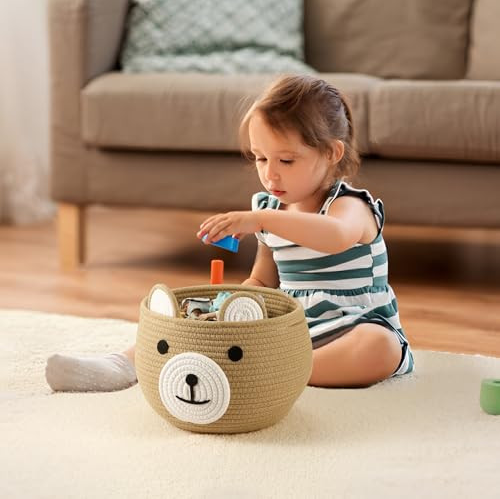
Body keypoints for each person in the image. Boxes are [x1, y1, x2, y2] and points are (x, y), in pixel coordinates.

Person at [45, 74, 413, 392]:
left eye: (286, 160)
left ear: (332, 153)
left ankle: (268, 373)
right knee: (199, 317)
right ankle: (122, 365)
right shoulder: (270, 210)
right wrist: (228, 305)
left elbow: (335, 236)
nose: (270, 174)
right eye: (260, 158)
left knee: (379, 347)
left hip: (350, 328)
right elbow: (264, 281)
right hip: (289, 330)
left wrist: (261, 221)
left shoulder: (350, 205)